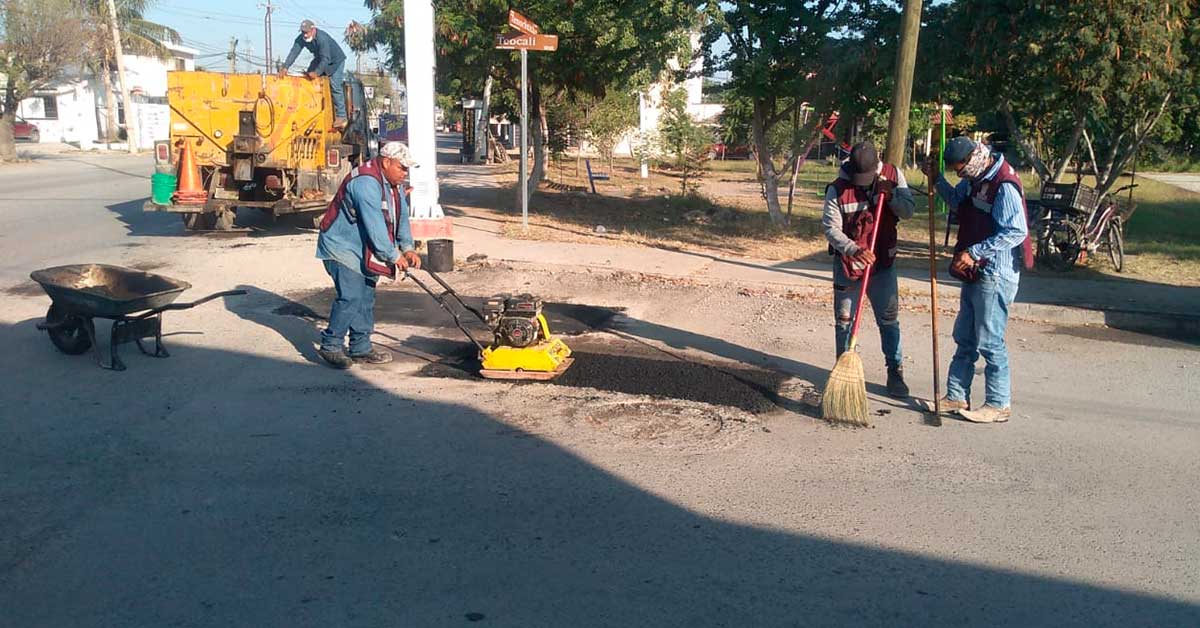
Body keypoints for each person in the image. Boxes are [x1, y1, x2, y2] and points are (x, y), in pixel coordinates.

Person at [923, 136, 1031, 423]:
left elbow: (1016, 231)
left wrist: (975, 252)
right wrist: (937, 180)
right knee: (965, 339)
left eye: (959, 170)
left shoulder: (1003, 184)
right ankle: (956, 395)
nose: (959, 175)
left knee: (990, 342)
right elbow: (957, 201)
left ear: (971, 159)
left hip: (995, 274)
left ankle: (998, 403)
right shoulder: (976, 176)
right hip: (974, 271)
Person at [314, 142, 422, 369]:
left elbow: (401, 217)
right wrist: (394, 256)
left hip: (364, 248)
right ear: (386, 162)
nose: (405, 173)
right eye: (402, 167)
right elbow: (375, 227)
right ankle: (331, 345)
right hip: (341, 247)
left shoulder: (394, 185)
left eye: (407, 169)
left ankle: (360, 348)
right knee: (352, 296)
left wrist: (408, 248)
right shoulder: (365, 183)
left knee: (366, 297)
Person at [823, 141, 916, 398]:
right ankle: (844, 375)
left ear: (877, 167)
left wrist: (892, 196)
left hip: (883, 264)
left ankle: (895, 371)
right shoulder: (837, 188)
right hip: (848, 265)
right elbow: (831, 228)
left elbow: (908, 211)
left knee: (889, 319)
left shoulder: (894, 175)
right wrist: (853, 249)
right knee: (844, 322)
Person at [279, 20, 348, 129]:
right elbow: (294, 52)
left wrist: (317, 72)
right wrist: (285, 67)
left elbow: (326, 59)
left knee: (335, 86)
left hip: (335, 61)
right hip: (320, 58)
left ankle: (341, 116)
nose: (305, 35)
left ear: (313, 30)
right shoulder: (301, 39)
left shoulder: (322, 39)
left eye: (307, 32)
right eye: (303, 32)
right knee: (307, 79)